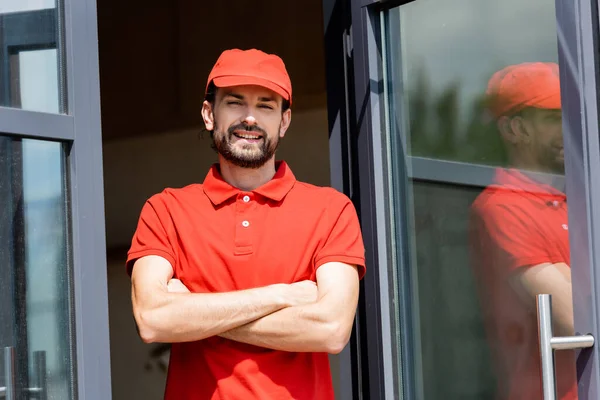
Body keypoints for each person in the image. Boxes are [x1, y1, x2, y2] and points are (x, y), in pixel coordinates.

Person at [126, 48, 366, 400]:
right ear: (209, 114)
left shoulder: (332, 210)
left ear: (284, 121)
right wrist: (281, 295)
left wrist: (194, 313)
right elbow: (152, 320)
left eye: (266, 106)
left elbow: (331, 329)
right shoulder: (165, 210)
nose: (250, 118)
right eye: (235, 103)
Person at [469, 62, 576, 399]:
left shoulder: (581, 197)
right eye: (553, 118)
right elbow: (576, 318)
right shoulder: (501, 207)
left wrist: (572, 277)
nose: (568, 127)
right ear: (515, 130)